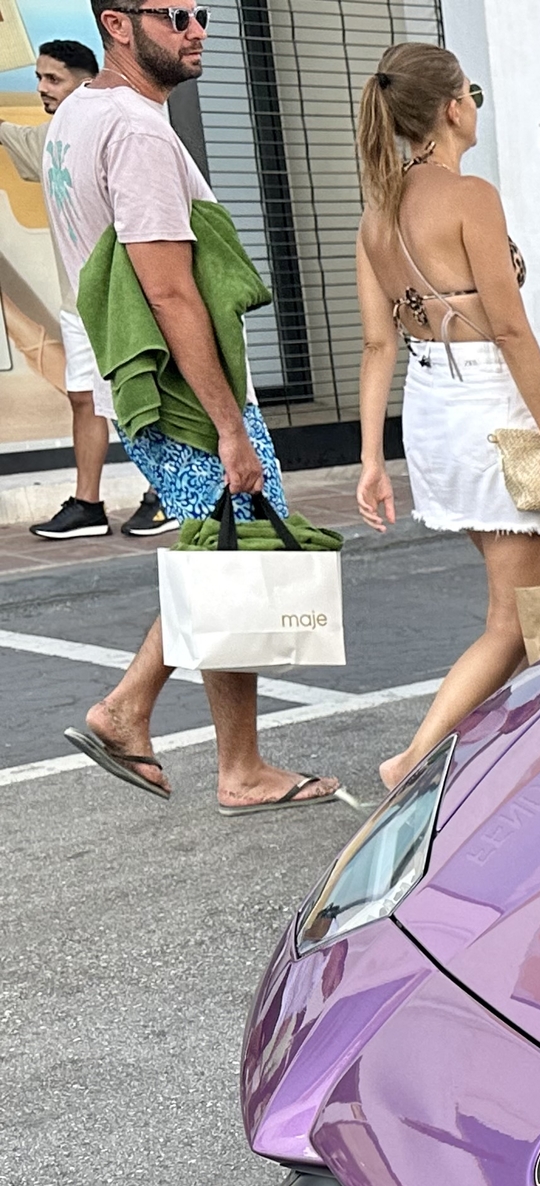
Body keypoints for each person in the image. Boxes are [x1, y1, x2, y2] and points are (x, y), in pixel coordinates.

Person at [53, 0, 337, 812]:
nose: (197, 29)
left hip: (136, 380)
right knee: (231, 549)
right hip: (181, 389)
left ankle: (204, 744)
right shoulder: (139, 133)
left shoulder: (81, 113)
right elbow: (170, 288)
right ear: (117, 23)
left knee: (223, 549)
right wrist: (228, 424)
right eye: (175, 14)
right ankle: (146, 721)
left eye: (202, 13)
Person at [353, 42, 540, 795]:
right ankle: (415, 760)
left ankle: (502, 755)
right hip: (493, 406)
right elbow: (513, 331)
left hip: (432, 410)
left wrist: (370, 458)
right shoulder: (470, 196)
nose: (478, 105)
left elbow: (375, 344)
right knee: (516, 618)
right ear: (453, 107)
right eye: (473, 93)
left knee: (527, 603)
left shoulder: (377, 216)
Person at [5, 37, 165, 540]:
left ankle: (166, 495)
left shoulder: (117, 130)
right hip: (77, 304)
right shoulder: (50, 137)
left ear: (86, 81)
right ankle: (88, 505)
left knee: (144, 396)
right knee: (84, 399)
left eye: (53, 79)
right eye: (38, 79)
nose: (41, 89)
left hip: (124, 297)